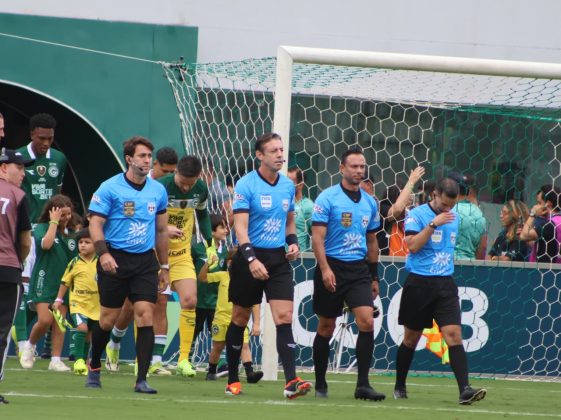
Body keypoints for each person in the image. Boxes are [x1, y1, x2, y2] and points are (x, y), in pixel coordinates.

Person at [226, 132, 311, 398]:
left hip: (277, 259)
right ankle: (232, 380)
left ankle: (291, 381)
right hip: (248, 257)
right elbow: (240, 228)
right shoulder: (246, 185)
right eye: (273, 151)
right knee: (240, 318)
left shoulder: (287, 186)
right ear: (259, 155)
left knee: (284, 317)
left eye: (281, 150)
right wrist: (251, 259)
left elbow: (289, 221)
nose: (280, 155)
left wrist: (293, 243)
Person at [86, 136, 169, 394]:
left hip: (145, 261)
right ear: (129, 159)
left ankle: (141, 379)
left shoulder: (158, 190)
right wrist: (103, 254)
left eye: (149, 156)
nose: (147, 160)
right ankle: (94, 363)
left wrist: (164, 267)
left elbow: (162, 230)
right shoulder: (109, 188)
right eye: (142, 156)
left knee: (145, 314)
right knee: (107, 320)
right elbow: (95, 224)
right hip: (114, 259)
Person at [394, 177, 486, 405]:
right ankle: (399, 385)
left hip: (445, 284)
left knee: (454, 335)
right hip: (419, 283)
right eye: (444, 204)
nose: (448, 209)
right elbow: (412, 246)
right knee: (411, 339)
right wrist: (433, 224)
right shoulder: (417, 215)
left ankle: (465, 390)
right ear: (434, 194)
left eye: (451, 206)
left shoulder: (455, 217)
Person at [311, 147, 385, 401]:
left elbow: (372, 241)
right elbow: (317, 238)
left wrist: (374, 276)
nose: (359, 171)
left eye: (362, 166)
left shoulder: (370, 202)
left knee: (367, 321)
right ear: (342, 169)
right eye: (354, 166)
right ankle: (320, 382)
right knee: (326, 326)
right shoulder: (327, 198)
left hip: (358, 269)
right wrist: (325, 269)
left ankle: (363, 384)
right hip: (331, 265)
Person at [105, 147, 178, 376]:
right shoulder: (131, 184)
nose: (169, 176)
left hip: (158, 254)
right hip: (130, 253)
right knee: (130, 305)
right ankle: (114, 341)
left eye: (173, 172)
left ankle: (153, 360)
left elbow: (164, 226)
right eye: (166, 171)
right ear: (156, 166)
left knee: (158, 302)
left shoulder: (169, 188)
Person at [157, 155, 213, 378]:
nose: (186, 187)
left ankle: (183, 359)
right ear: (176, 172)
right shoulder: (161, 187)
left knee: (190, 300)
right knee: (154, 305)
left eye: (191, 183)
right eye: (183, 182)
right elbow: (145, 217)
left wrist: (210, 244)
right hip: (156, 255)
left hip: (181, 254)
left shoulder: (200, 188)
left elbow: (203, 214)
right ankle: (120, 345)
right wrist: (165, 228)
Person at [197, 214, 263, 383]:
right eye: (232, 263)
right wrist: (207, 264)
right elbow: (202, 278)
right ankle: (211, 370)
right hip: (221, 318)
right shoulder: (222, 275)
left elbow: (255, 303)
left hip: (238, 318)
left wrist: (256, 323)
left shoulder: (246, 280)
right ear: (229, 263)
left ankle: (249, 373)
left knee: (245, 345)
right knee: (218, 346)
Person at [20, 194, 77, 372]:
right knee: (45, 320)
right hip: (44, 280)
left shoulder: (73, 233)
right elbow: (46, 245)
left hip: (64, 284)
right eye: (62, 214)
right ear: (52, 212)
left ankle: (56, 360)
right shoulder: (42, 227)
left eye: (68, 214)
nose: (66, 218)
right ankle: (30, 346)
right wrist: (53, 222)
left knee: (60, 323)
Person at [0, 148, 33, 405]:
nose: (23, 173)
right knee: (1, 331)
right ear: (3, 167)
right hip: (7, 269)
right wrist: (19, 262)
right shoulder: (18, 195)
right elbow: (25, 241)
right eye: (19, 167)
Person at [52, 228, 99, 375]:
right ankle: (78, 360)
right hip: (78, 303)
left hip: (95, 304)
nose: (83, 245)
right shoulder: (74, 262)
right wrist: (58, 300)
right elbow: (65, 282)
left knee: (89, 334)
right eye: (80, 242)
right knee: (82, 328)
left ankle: (83, 361)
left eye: (87, 242)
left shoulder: (100, 262)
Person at [17, 113, 67, 222]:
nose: (46, 143)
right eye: (42, 138)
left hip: (50, 223)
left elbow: (58, 191)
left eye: (50, 139)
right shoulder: (18, 156)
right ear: (32, 135)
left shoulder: (59, 158)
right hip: (26, 223)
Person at [376, 167, 425, 256]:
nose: (410, 198)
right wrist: (411, 182)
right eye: (407, 194)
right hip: (386, 261)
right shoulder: (382, 208)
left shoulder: (411, 214)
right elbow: (397, 209)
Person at [449, 172, 487, 260]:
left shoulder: (450, 211)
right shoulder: (479, 213)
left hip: (450, 262)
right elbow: (483, 246)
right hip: (471, 263)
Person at [520, 186, 561, 263]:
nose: (535, 206)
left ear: (548, 204)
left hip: (545, 269)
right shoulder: (558, 221)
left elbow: (523, 235)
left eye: (539, 203)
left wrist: (533, 213)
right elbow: (550, 246)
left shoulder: (550, 224)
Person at [287, 167, 314, 251]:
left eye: (289, 182)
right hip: (278, 254)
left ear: (300, 185)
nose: (285, 185)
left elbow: (318, 234)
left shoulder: (308, 206)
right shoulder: (280, 203)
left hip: (298, 256)